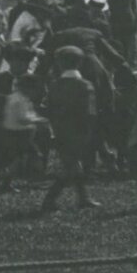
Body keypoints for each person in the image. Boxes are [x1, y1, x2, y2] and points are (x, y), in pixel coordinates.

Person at [40, 45, 104, 214]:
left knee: (74, 166)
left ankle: (83, 198)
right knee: (71, 168)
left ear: (59, 64)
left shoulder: (54, 86)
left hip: (60, 132)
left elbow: (49, 110)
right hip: (80, 132)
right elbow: (91, 113)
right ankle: (49, 200)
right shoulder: (85, 86)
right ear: (80, 63)